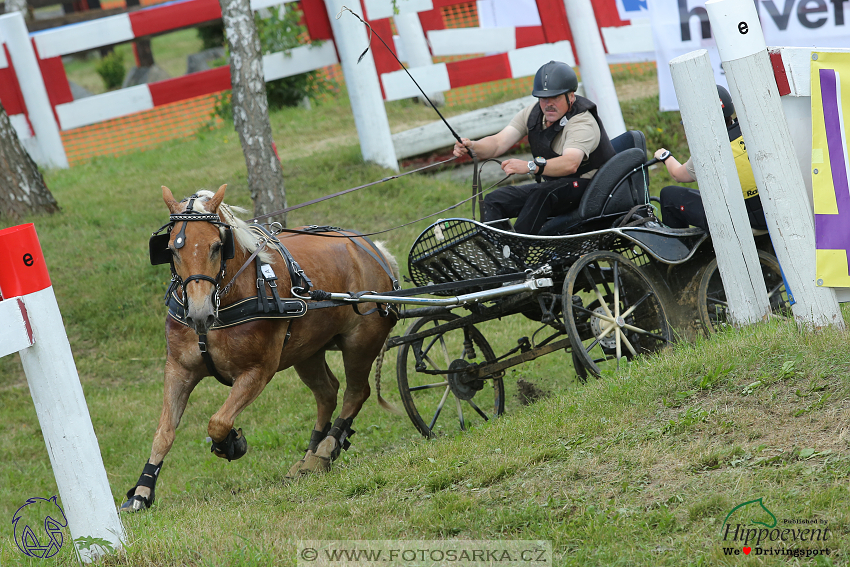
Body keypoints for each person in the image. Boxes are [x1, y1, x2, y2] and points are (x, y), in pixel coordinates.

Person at [453, 60, 615, 234]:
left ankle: (517, 251)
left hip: (592, 188)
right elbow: (498, 142)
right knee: (495, 199)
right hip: (557, 188)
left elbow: (570, 163)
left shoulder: (581, 122)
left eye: (556, 97)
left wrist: (529, 166)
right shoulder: (533, 113)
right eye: (543, 98)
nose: (548, 104)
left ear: (571, 96)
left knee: (542, 194)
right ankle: (498, 253)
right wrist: (473, 147)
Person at [654, 85, 767, 233]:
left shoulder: (706, 152)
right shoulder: (754, 132)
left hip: (740, 224)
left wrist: (665, 156)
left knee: (668, 195)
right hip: (771, 213)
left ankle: (688, 253)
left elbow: (677, 175)